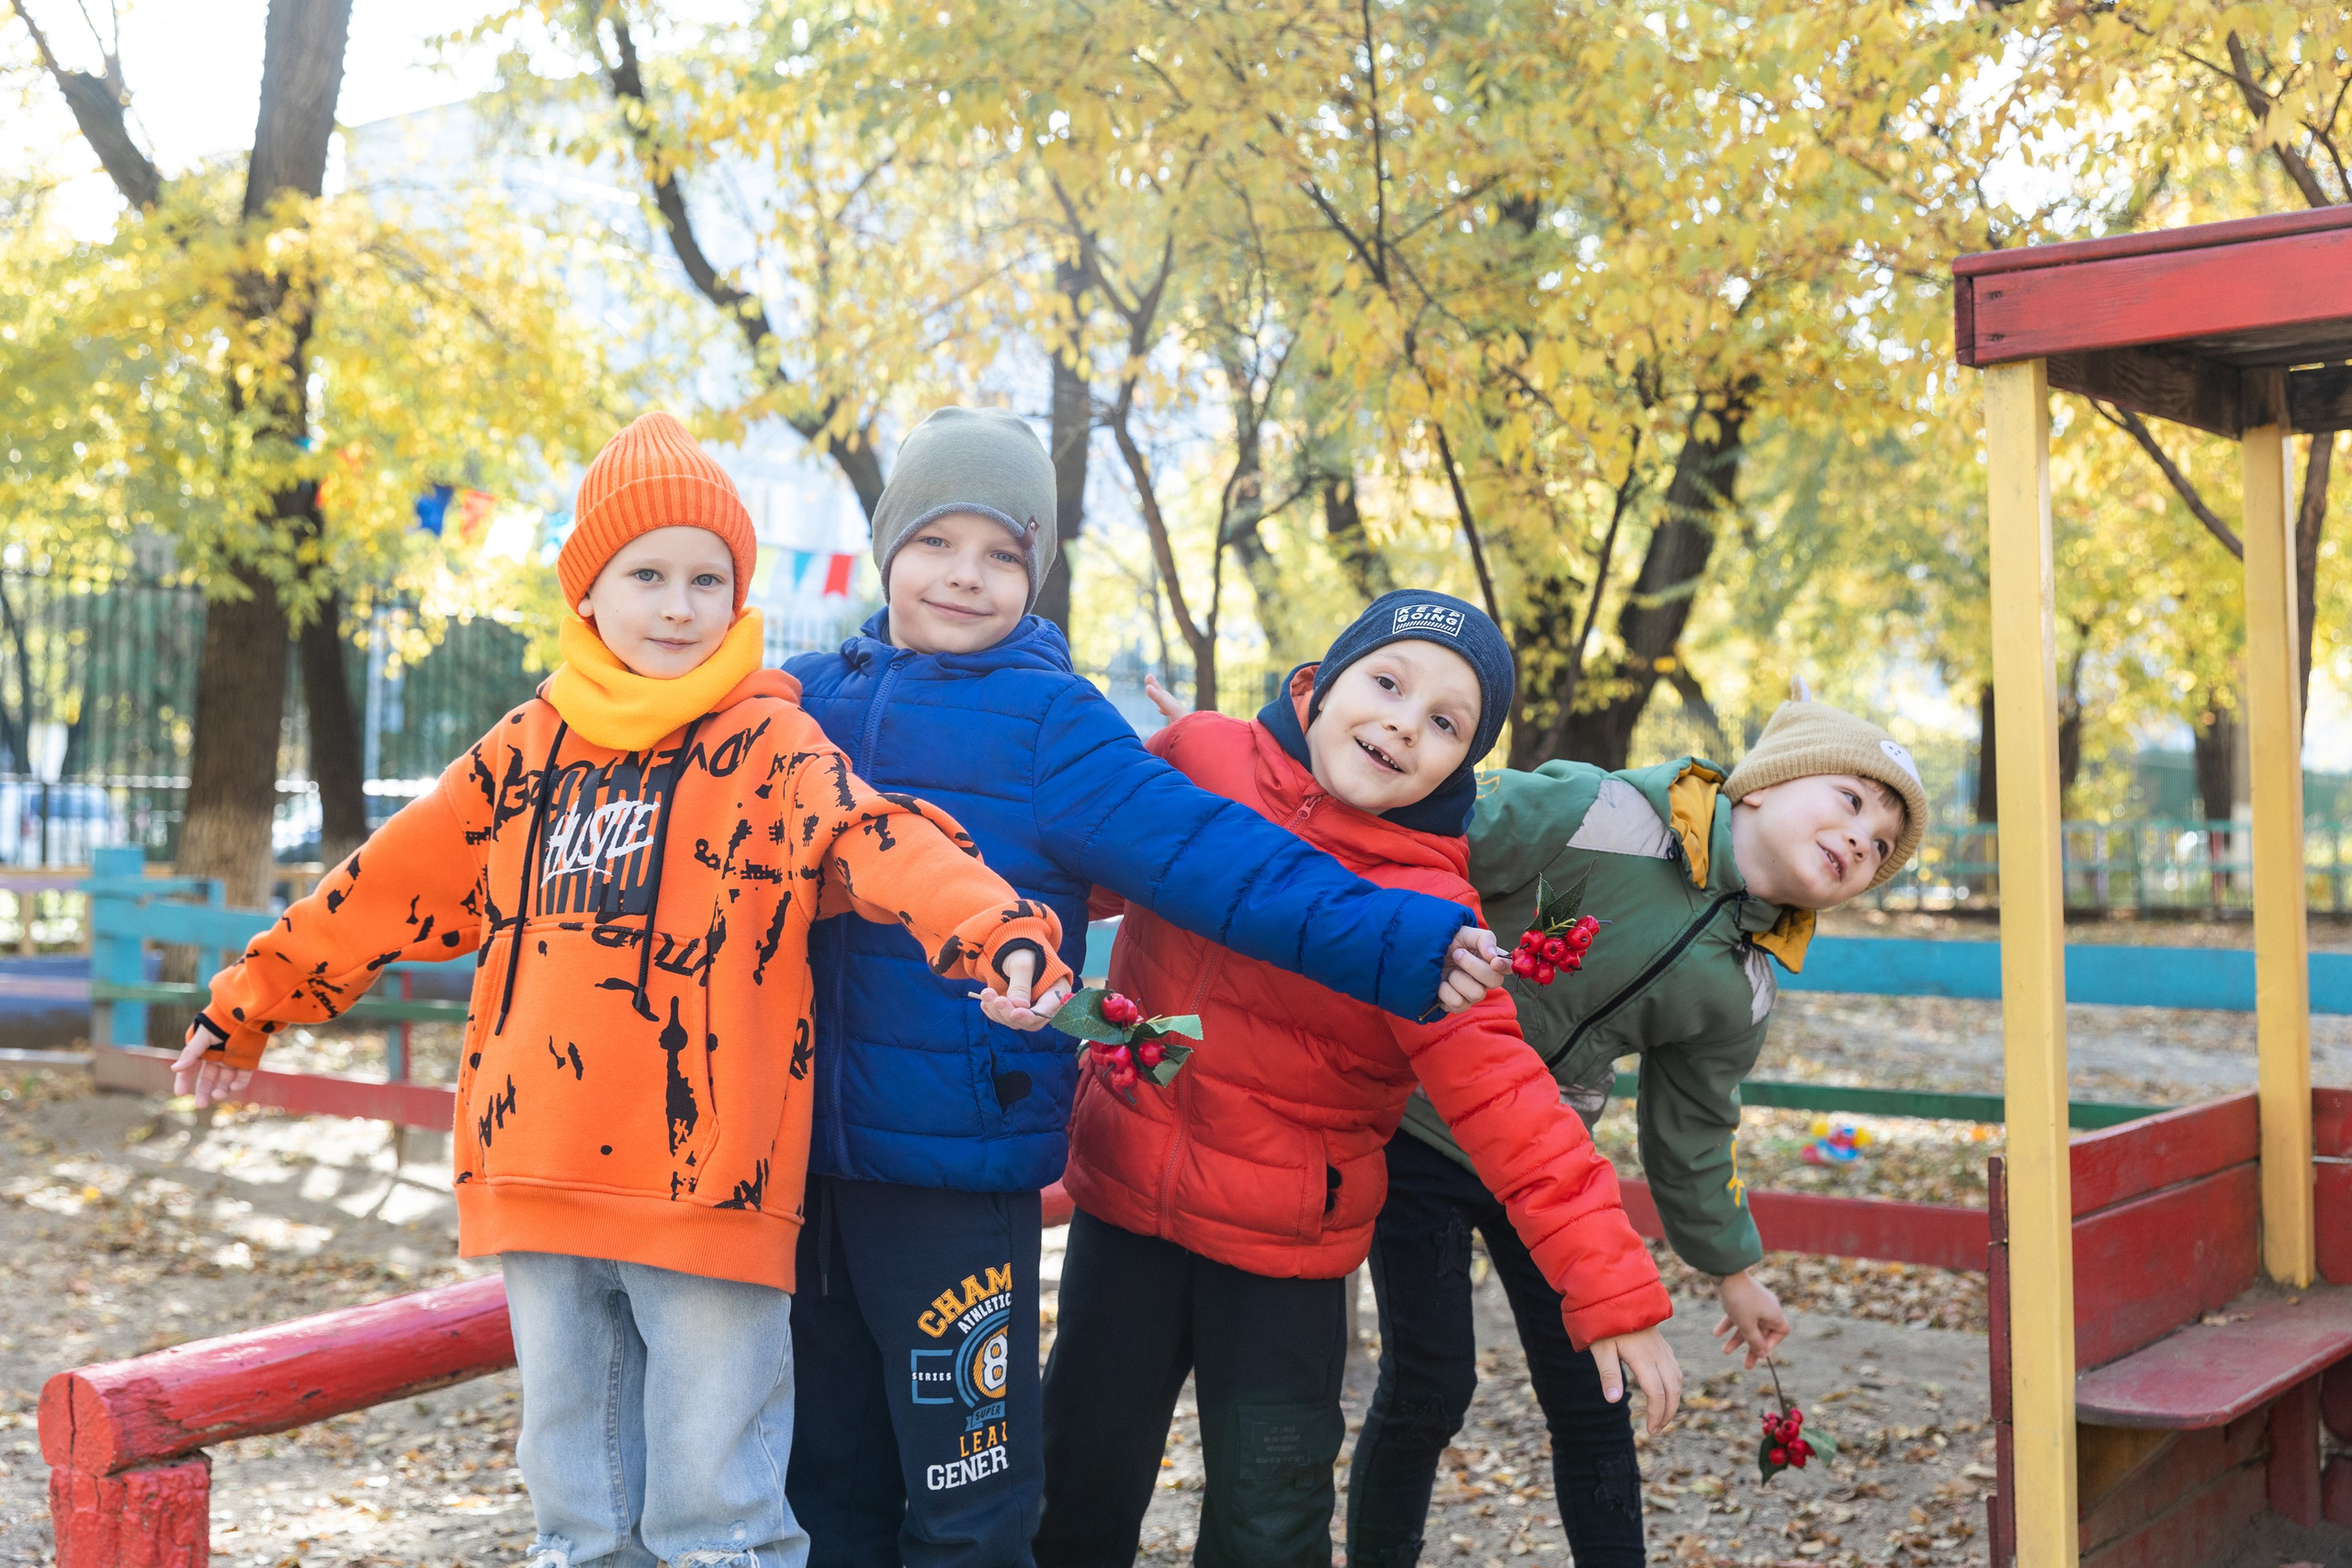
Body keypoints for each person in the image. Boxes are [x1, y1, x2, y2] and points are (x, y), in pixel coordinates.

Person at [170, 411, 1075, 1568]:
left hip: (711, 1188)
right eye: (647, 575)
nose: (679, 606)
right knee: (580, 1518)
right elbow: (380, 888)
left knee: (716, 1517)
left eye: (708, 579)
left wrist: (1001, 932)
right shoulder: (521, 753)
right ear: (588, 591)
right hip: (539, 1174)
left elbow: (884, 841)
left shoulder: (772, 750)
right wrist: (248, 1004)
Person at [778, 408, 1505, 1568]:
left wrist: (1399, 938)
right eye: (935, 542)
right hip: (795, 1167)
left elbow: (1218, 858)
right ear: (885, 547)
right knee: (827, 1485)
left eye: (1003, 553)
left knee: (967, 1500)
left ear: (1036, 574)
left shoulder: (1052, 723)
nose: (965, 575)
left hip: (957, 1171)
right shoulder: (797, 704)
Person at [1036, 591, 1679, 1568]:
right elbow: (1072, 871)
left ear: (1462, 766)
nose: (1403, 723)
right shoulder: (1203, 758)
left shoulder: (1432, 910)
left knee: (1267, 1524)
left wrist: (1614, 1290)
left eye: (1446, 723)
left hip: (1284, 1253)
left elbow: (1511, 1103)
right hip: (1125, 1205)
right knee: (1072, 1492)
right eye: (1387, 681)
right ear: (1325, 681)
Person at [1342, 694, 1929, 1568]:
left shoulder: (1743, 985)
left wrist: (1733, 1270)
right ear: (1763, 784)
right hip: (1420, 1122)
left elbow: (1694, 1130)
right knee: (1431, 1383)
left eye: (1881, 846)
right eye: (1851, 800)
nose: (1861, 839)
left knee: (1597, 1388)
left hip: (1546, 1166)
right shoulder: (1596, 811)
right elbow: (1427, 826)